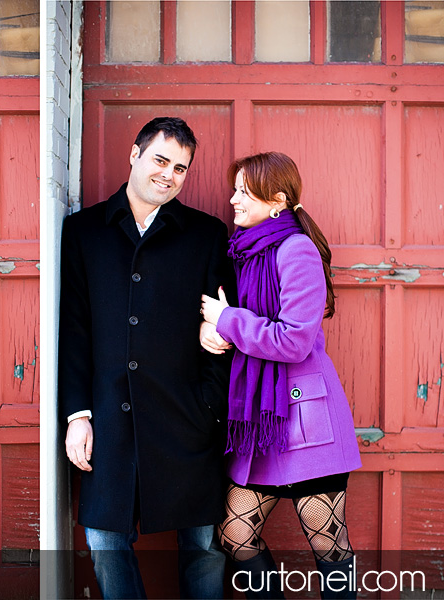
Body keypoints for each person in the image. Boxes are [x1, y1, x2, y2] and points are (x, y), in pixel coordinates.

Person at [59, 117, 235, 599]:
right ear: (134, 155)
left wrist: (209, 404)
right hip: (110, 416)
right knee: (104, 538)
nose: (169, 174)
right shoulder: (84, 231)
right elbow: (73, 331)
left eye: (180, 168)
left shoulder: (206, 234)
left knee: (203, 546)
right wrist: (78, 414)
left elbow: (224, 325)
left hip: (186, 416)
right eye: (160, 160)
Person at [200, 152, 362, 599]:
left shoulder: (297, 250)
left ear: (277, 200)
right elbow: (221, 313)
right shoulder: (243, 252)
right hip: (260, 423)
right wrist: (209, 326)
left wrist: (227, 319)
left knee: (329, 548)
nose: (231, 199)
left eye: (242, 190)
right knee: (235, 537)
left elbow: (293, 339)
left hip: (306, 423)